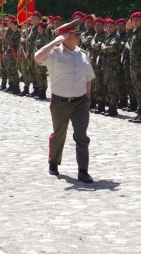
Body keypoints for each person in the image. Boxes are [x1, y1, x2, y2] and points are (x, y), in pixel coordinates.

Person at [35, 19, 95, 183]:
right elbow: (37, 58)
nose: (79, 37)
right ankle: (53, 162)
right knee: (58, 134)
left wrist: (87, 99)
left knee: (82, 136)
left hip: (80, 102)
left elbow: (88, 78)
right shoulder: (54, 54)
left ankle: (83, 171)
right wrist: (55, 41)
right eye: (76, 35)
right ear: (67, 36)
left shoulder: (82, 55)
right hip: (60, 102)